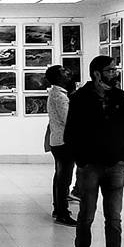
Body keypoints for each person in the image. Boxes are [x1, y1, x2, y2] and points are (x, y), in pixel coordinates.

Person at [62, 55, 124, 247]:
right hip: (90, 166)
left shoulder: (119, 96)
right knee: (87, 213)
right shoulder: (80, 98)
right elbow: (71, 132)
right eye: (110, 70)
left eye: (115, 69)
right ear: (97, 73)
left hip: (115, 164)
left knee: (114, 218)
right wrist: (82, 160)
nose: (115, 73)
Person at [44, 65, 77, 227]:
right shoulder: (59, 96)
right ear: (57, 77)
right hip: (64, 142)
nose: (68, 72)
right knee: (64, 178)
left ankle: (58, 209)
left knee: (60, 176)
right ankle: (62, 213)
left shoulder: (57, 93)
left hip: (58, 140)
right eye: (64, 71)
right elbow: (68, 119)